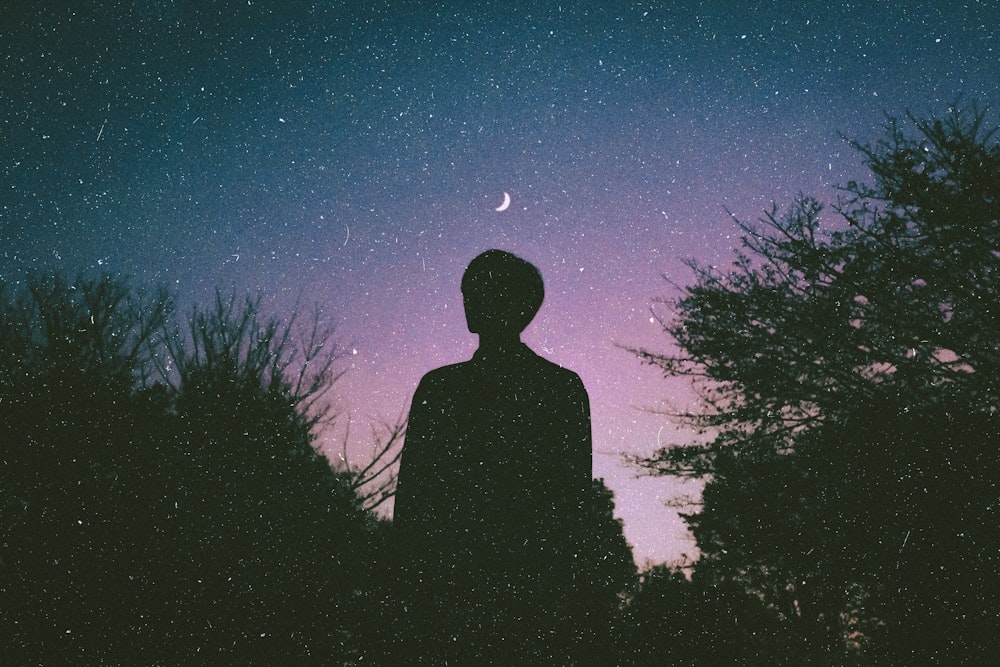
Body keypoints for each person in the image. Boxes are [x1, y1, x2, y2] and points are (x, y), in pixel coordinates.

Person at [390, 249, 593, 665]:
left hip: (487, 589)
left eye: (478, 290)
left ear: (513, 302)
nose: (467, 299)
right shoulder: (560, 388)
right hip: (501, 589)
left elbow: (571, 502)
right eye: (467, 290)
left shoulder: (445, 388)